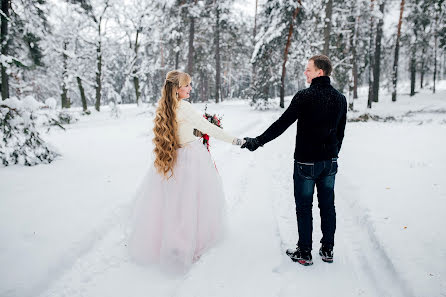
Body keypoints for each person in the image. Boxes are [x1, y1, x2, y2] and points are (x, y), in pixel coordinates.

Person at [128, 70, 244, 273]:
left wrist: (196, 131)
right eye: (187, 85)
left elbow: (182, 131)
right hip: (191, 160)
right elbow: (210, 128)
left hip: (172, 159)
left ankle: (169, 242)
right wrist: (236, 141)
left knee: (171, 203)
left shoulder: (165, 107)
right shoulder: (186, 107)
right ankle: (187, 245)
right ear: (177, 88)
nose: (190, 88)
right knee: (191, 203)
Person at [242, 55, 347, 266]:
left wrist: (258, 141)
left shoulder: (304, 96)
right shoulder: (340, 98)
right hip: (329, 162)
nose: (305, 73)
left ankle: (305, 252)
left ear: (320, 72)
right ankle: (328, 249)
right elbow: (341, 132)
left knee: (304, 207)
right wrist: (333, 154)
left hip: (306, 163)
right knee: (328, 206)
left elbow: (282, 124)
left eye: (309, 70)